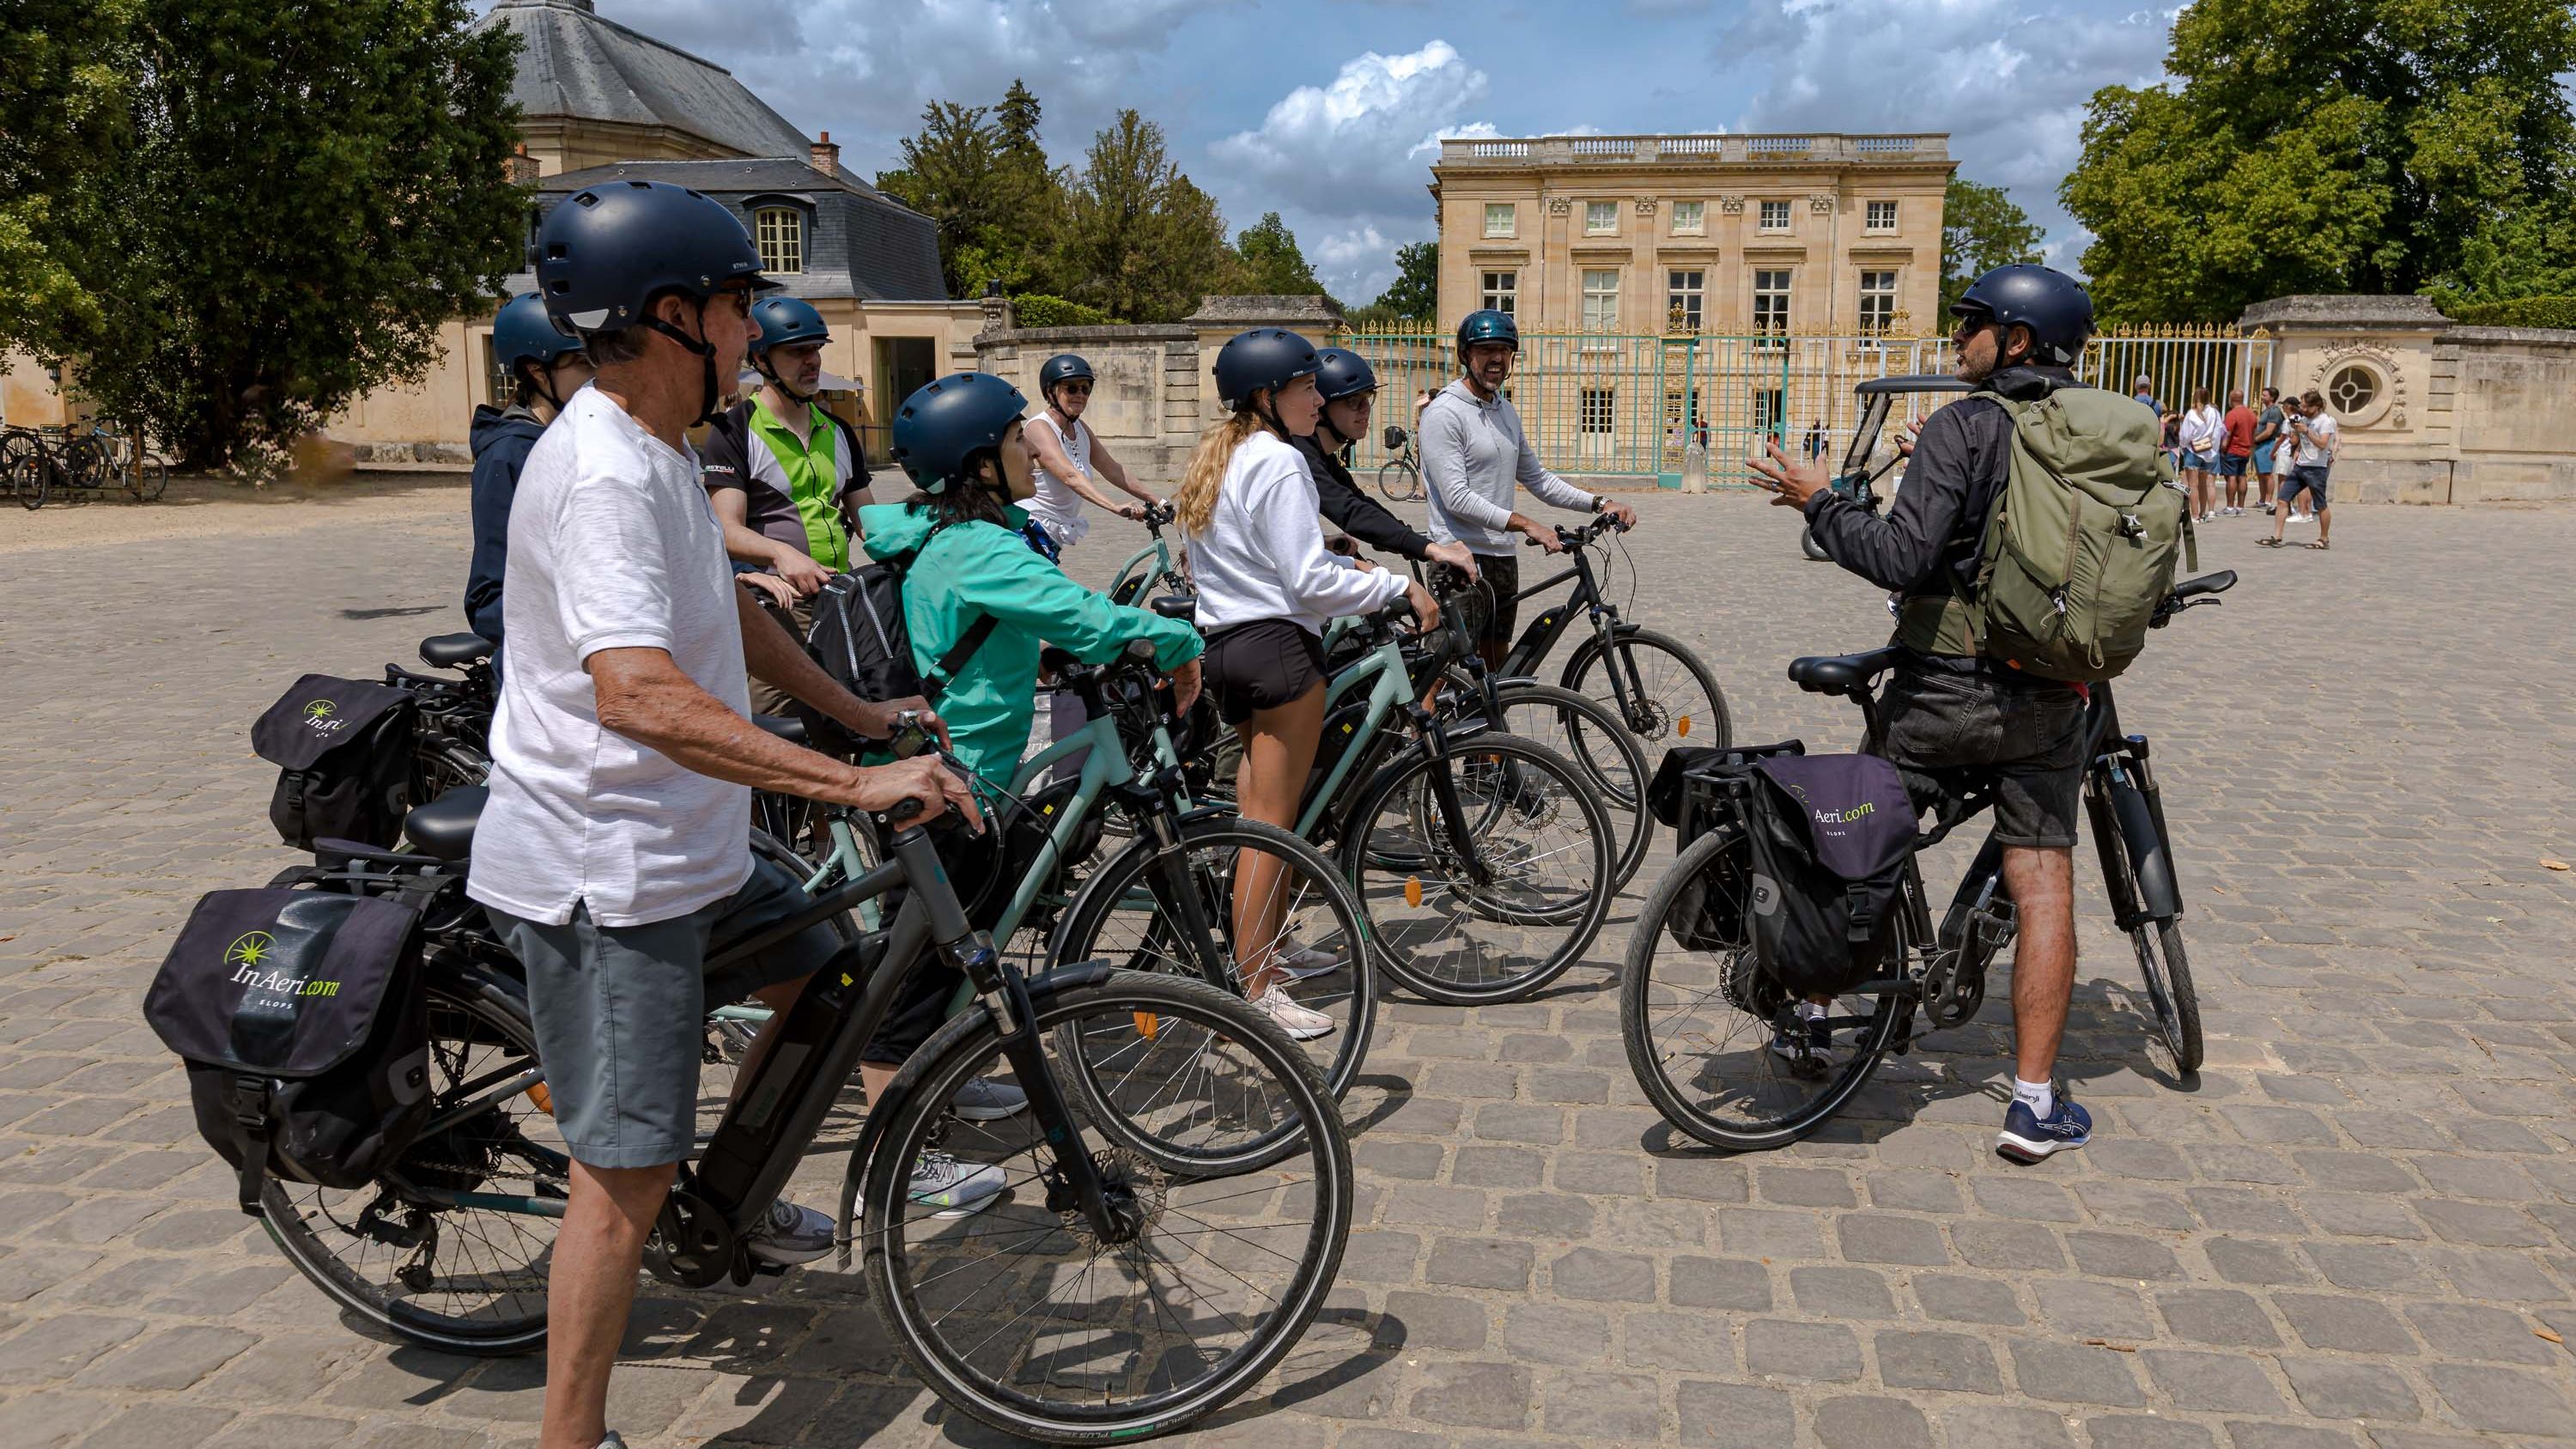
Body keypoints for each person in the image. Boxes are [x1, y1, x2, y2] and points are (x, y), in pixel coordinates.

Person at [469, 180, 976, 1449]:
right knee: (622, 1168)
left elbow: (728, 614)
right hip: (609, 859)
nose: (757, 336)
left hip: (690, 835)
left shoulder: (661, 452)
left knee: (827, 972)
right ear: (669, 316)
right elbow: (637, 689)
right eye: (742, 311)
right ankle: (571, 1435)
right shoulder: (595, 474)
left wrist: (862, 716)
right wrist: (855, 784)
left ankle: (735, 1195)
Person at [1745, 262, 2114, 1166]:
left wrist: (1820, 501)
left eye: (1973, 325)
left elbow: (1902, 558)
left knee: (1855, 837)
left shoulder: (1965, 425)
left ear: (2017, 341)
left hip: (1939, 693)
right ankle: (2031, 1105)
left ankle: (1816, 1017)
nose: (1958, 340)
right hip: (2050, 695)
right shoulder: (2102, 435)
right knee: (2045, 886)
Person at [852, 369, 1202, 1133]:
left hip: (970, 763)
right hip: (950, 775)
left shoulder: (961, 536)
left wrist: (1036, 654)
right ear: (978, 464)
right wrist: (1181, 640)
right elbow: (1087, 616)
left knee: (964, 935)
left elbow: (984, 630)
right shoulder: (979, 544)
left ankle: (938, 1070)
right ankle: (897, 1149)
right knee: (912, 966)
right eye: (1018, 442)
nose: (1034, 455)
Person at [1176, 329, 1435, 1040]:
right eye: (1306, 387)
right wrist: (1394, 586)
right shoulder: (1284, 462)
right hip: (1280, 652)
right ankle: (1258, 988)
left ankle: (1266, 956)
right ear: (1268, 395)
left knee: (1253, 818)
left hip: (1226, 645)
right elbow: (1304, 581)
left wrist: (1333, 556)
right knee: (1272, 832)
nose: (1318, 398)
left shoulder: (1221, 456)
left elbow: (1250, 555)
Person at [1419, 308, 1637, 670]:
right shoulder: (1445, 413)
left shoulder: (1504, 410)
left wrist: (1600, 503)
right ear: (1464, 355)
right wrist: (1526, 524)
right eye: (1487, 349)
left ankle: (1487, 727)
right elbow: (1456, 498)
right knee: (1442, 669)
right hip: (1459, 556)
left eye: (1505, 350)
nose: (1498, 359)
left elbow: (1537, 478)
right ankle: (1414, 728)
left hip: (1502, 556)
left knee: (1495, 663)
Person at [700, 295, 877, 713]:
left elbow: (870, 521)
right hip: (777, 603)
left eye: (816, 349)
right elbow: (726, 530)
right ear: (760, 360)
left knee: (845, 716)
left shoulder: (838, 430)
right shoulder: (733, 429)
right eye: (797, 351)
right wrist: (782, 553)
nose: (812, 360)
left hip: (838, 596)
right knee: (775, 717)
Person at [465, 292, 594, 651]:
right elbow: (489, 597)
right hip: (545, 669)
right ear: (537, 371)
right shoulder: (508, 455)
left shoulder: (588, 438)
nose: (597, 375)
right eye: (583, 364)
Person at [1294, 348, 1479, 576]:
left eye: (1368, 398)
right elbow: (1349, 511)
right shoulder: (1297, 453)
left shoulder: (1318, 452)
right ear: (1320, 408)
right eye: (1353, 401)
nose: (1365, 410)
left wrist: (1410, 538)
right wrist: (1428, 549)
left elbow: (1359, 500)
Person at [1019, 352, 1163, 550]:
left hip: (1051, 534)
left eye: (1085, 389)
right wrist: (1114, 506)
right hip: (1028, 531)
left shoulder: (1079, 429)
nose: (1080, 394)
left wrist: (1158, 501)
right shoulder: (1039, 428)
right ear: (1050, 392)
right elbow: (1070, 476)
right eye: (1071, 388)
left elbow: (1112, 469)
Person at [2261, 389, 2336, 550]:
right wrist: (2295, 431)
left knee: (2321, 504)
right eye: (2301, 406)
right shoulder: (2302, 419)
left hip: (2317, 468)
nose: (2302, 409)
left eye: (2305, 407)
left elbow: (2323, 444)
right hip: (2300, 466)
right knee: (2283, 499)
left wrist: (2307, 431)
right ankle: (2277, 536)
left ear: (2316, 406)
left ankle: (2324, 538)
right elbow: (2296, 440)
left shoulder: (2325, 421)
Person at [2177, 387, 2222, 521]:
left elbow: (2185, 435)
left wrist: (2184, 446)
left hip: (2193, 450)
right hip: (2208, 450)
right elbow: (2217, 431)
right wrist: (2213, 448)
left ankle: (2195, 515)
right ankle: (2202, 513)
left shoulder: (2191, 414)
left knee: (2193, 485)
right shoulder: (2214, 412)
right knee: (2203, 484)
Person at [2219, 387, 2257, 515]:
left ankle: (2230, 507)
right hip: (2246, 450)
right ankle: (2240, 507)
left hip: (2233, 449)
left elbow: (2227, 434)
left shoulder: (2232, 414)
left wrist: (2223, 447)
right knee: (2242, 476)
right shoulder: (2251, 414)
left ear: (2232, 399)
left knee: (2231, 477)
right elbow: (2253, 432)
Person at [2251, 385, 2286, 514]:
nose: (2261, 397)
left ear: (2272, 397)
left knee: (2267, 474)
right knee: (2260, 474)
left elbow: (2269, 431)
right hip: (2261, 445)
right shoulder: (2267, 410)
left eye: (2265, 395)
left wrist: (2255, 440)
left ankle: (2268, 501)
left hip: (2267, 444)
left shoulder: (2274, 411)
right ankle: (2262, 499)